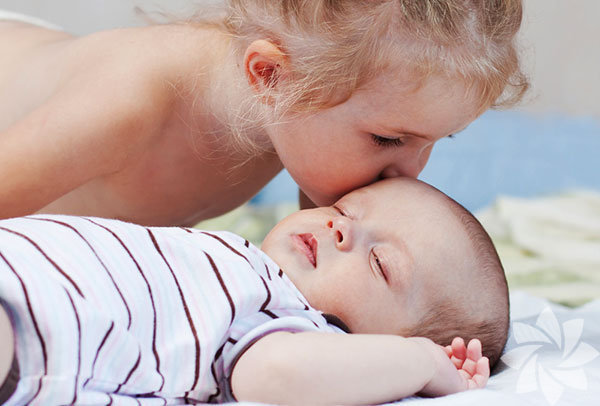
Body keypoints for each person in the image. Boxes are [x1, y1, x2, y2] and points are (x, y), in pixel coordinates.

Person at [0, 1, 528, 226]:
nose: (412, 172)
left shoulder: (303, 117)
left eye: (439, 140)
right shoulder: (126, 103)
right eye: (389, 139)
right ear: (271, 76)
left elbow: (325, 283)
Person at [0, 177, 508, 405]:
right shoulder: (244, 265)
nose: (340, 228)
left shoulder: (292, 322)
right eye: (346, 208)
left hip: (36, 328)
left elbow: (278, 375)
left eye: (380, 263)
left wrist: (421, 362)